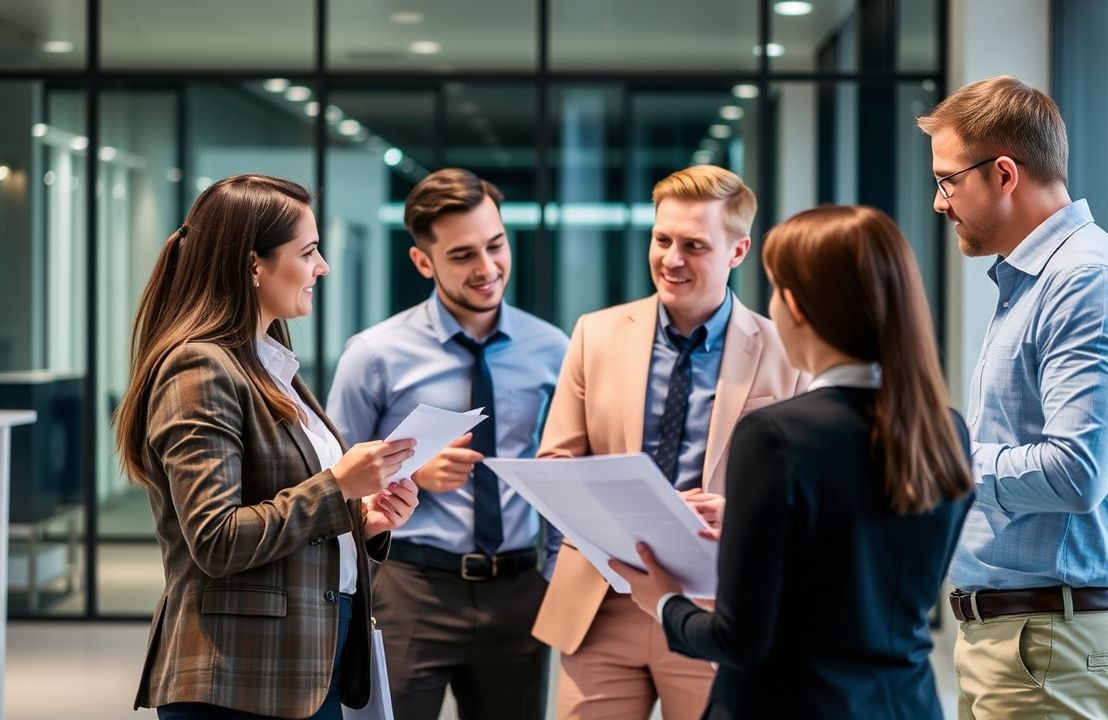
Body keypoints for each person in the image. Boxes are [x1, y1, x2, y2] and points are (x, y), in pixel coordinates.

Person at [610, 204, 975, 719]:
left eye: (776, 289)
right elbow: (863, 570)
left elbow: (739, 641)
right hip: (906, 705)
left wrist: (665, 602)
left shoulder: (774, 436)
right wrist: (753, 530)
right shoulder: (946, 430)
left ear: (798, 306)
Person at [917, 75, 1108, 718]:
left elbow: (1075, 472)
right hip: (1026, 644)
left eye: (947, 181)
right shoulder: (1036, 283)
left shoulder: (1087, 283)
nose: (939, 203)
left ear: (1004, 174)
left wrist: (943, 459)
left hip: (1048, 647)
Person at [115, 174, 421, 720]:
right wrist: (338, 488)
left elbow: (292, 513)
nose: (322, 267)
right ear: (254, 265)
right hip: (235, 677)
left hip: (303, 662)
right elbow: (215, 539)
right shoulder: (200, 366)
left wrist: (361, 519)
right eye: (308, 252)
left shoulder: (268, 364)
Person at [532, 165, 805, 719]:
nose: (671, 259)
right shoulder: (595, 333)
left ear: (737, 251)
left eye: (694, 246)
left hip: (718, 606)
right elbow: (557, 462)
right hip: (602, 603)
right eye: (662, 240)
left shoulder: (787, 352)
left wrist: (740, 512)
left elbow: (805, 489)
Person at [327, 168, 568, 720]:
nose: (487, 268)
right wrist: (412, 473)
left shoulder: (552, 349)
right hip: (412, 589)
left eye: (496, 245)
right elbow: (332, 479)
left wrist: (556, 575)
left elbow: (564, 467)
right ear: (423, 261)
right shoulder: (374, 354)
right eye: (462, 255)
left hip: (519, 589)